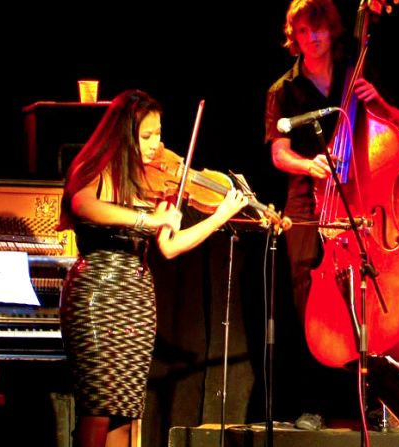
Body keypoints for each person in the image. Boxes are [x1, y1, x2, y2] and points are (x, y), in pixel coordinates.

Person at [58, 89, 252, 447]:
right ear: (123, 134)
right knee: (98, 407)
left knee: (125, 409)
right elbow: (83, 205)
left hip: (137, 295)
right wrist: (147, 220)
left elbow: (170, 244)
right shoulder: (94, 169)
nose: (156, 144)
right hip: (97, 292)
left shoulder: (150, 179)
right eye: (146, 136)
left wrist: (221, 216)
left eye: (158, 134)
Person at [261, 0, 399, 425]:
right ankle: (316, 403)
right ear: (295, 38)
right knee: (313, 305)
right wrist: (310, 164)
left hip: (358, 197)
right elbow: (279, 153)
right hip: (308, 204)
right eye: (303, 32)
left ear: (332, 31)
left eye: (317, 29)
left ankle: (374, 400)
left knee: (365, 298)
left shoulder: (355, 74)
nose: (311, 38)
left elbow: (395, 126)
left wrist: (378, 101)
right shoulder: (283, 90)